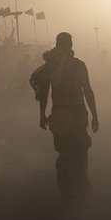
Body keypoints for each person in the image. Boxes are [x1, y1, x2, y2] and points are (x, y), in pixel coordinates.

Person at [38, 32, 99, 201]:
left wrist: (42, 115)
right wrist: (95, 115)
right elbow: (88, 91)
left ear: (57, 45)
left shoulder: (50, 66)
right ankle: (82, 187)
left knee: (65, 153)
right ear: (71, 45)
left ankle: (67, 191)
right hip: (78, 112)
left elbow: (43, 93)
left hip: (59, 114)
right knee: (81, 151)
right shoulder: (80, 65)